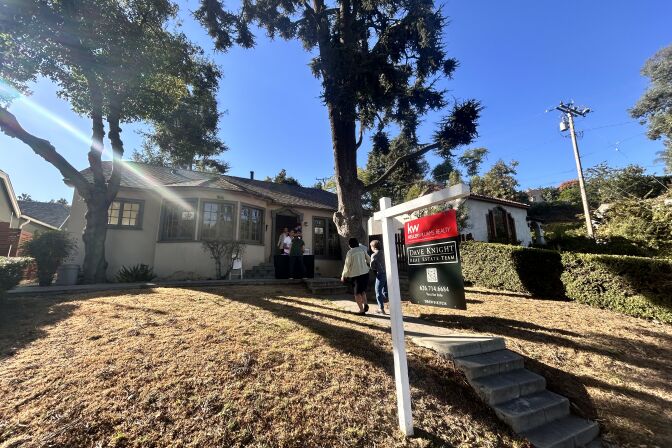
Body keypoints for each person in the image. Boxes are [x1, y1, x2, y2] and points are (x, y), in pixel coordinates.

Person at [341, 238, 371, 315]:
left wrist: (344, 275)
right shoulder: (362, 250)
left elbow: (347, 265)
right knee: (362, 291)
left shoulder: (350, 252)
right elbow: (368, 259)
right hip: (365, 273)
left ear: (350, 245)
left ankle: (361, 310)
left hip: (356, 275)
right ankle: (366, 304)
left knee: (357, 293)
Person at [369, 240, 388, 314]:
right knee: (385, 291)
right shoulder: (384, 252)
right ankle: (386, 301)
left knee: (378, 291)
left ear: (373, 247)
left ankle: (381, 308)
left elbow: (372, 266)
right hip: (387, 273)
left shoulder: (374, 255)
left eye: (371, 246)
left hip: (380, 274)